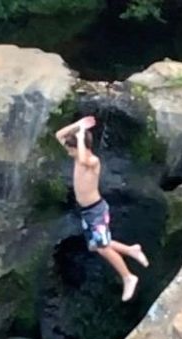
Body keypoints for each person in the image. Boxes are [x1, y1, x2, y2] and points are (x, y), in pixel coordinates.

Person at [54, 115, 149, 302]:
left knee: (103, 247)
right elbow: (58, 135)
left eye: (70, 150)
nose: (68, 153)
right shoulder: (79, 156)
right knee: (95, 245)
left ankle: (128, 276)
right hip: (87, 212)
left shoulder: (92, 161)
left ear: (80, 147)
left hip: (96, 210)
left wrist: (81, 137)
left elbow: (82, 158)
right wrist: (78, 126)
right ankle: (131, 250)